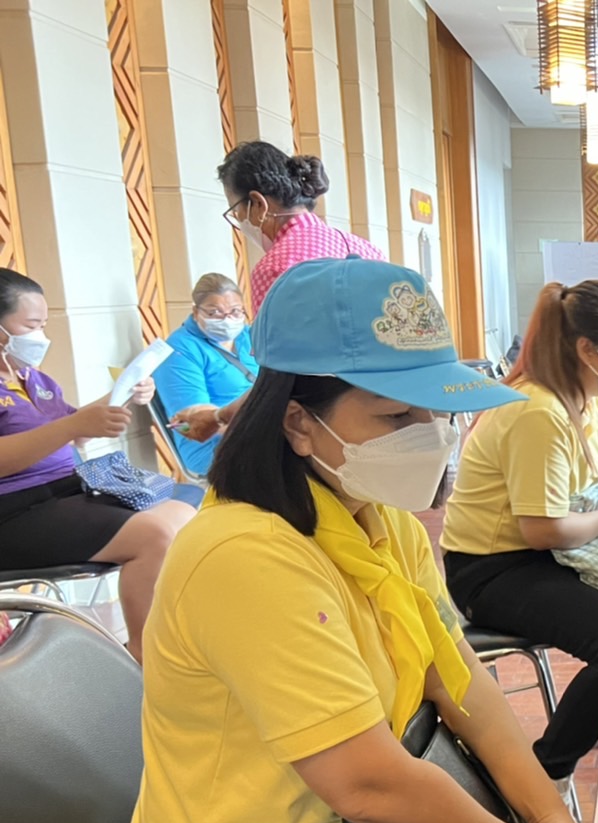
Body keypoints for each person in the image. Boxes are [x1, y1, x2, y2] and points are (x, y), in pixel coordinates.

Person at [126, 257, 596, 823]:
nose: (430, 436)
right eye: (395, 416)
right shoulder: (246, 557)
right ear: (297, 422)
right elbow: (368, 782)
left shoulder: (380, 525)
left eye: (437, 412)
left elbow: (468, 692)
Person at [442, 280, 598, 786]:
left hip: (556, 552)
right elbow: (544, 530)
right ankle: (543, 775)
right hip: (493, 570)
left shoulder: (594, 400)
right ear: (588, 350)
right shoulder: (539, 411)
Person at [0, 268, 195, 662]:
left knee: (184, 513)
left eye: (43, 325)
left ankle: (183, 640)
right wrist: (72, 426)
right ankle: (144, 657)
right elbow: (64, 430)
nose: (40, 337)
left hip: (66, 491)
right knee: (153, 536)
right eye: (31, 326)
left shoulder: (32, 378)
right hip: (15, 511)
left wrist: (123, 394)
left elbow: (76, 431)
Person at [218, 140, 384, 308]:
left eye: (236, 211)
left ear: (258, 204)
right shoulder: (368, 250)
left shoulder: (274, 268)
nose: (239, 221)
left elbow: (276, 327)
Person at [154, 273, 260, 475]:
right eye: (214, 313)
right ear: (196, 312)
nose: (227, 319)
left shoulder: (248, 335)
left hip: (262, 425)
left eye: (235, 311)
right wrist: (260, 424)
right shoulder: (180, 351)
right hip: (213, 444)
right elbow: (186, 424)